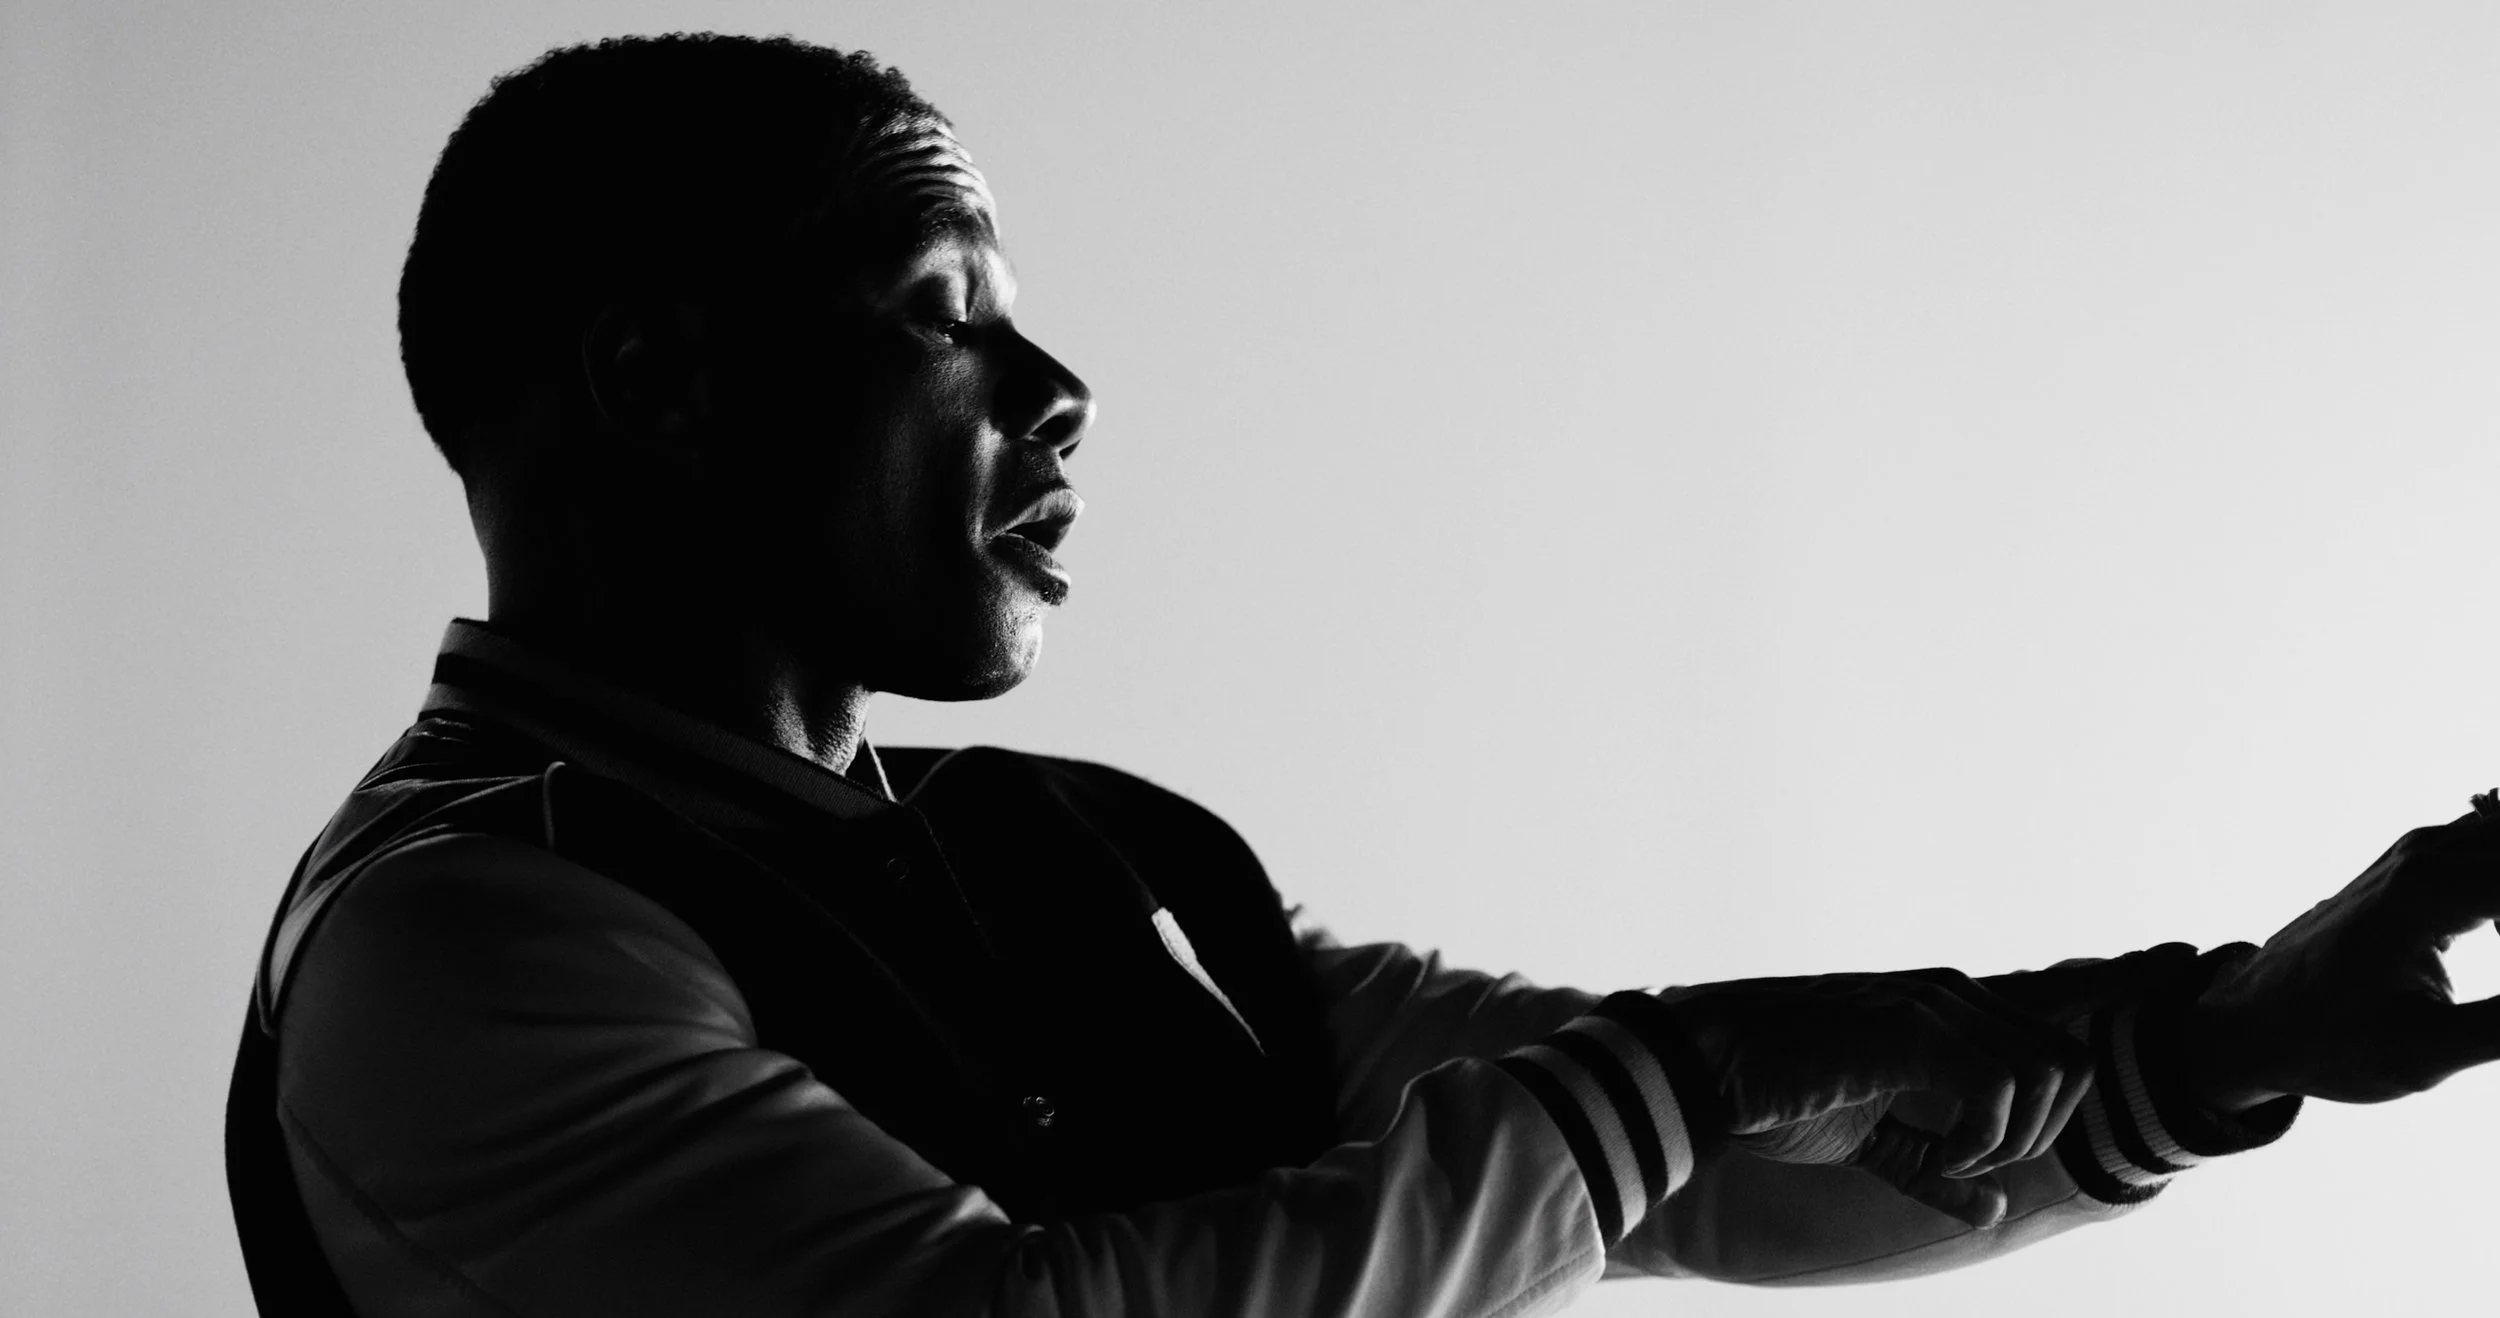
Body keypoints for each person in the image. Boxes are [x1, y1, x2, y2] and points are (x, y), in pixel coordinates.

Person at [223, 33, 2500, 1318]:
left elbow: (1699, 1170)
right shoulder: (456, 937)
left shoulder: (1078, 849)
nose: (1056, 387)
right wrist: (1677, 1076)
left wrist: (2215, 1044)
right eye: (940, 310)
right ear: (654, 383)